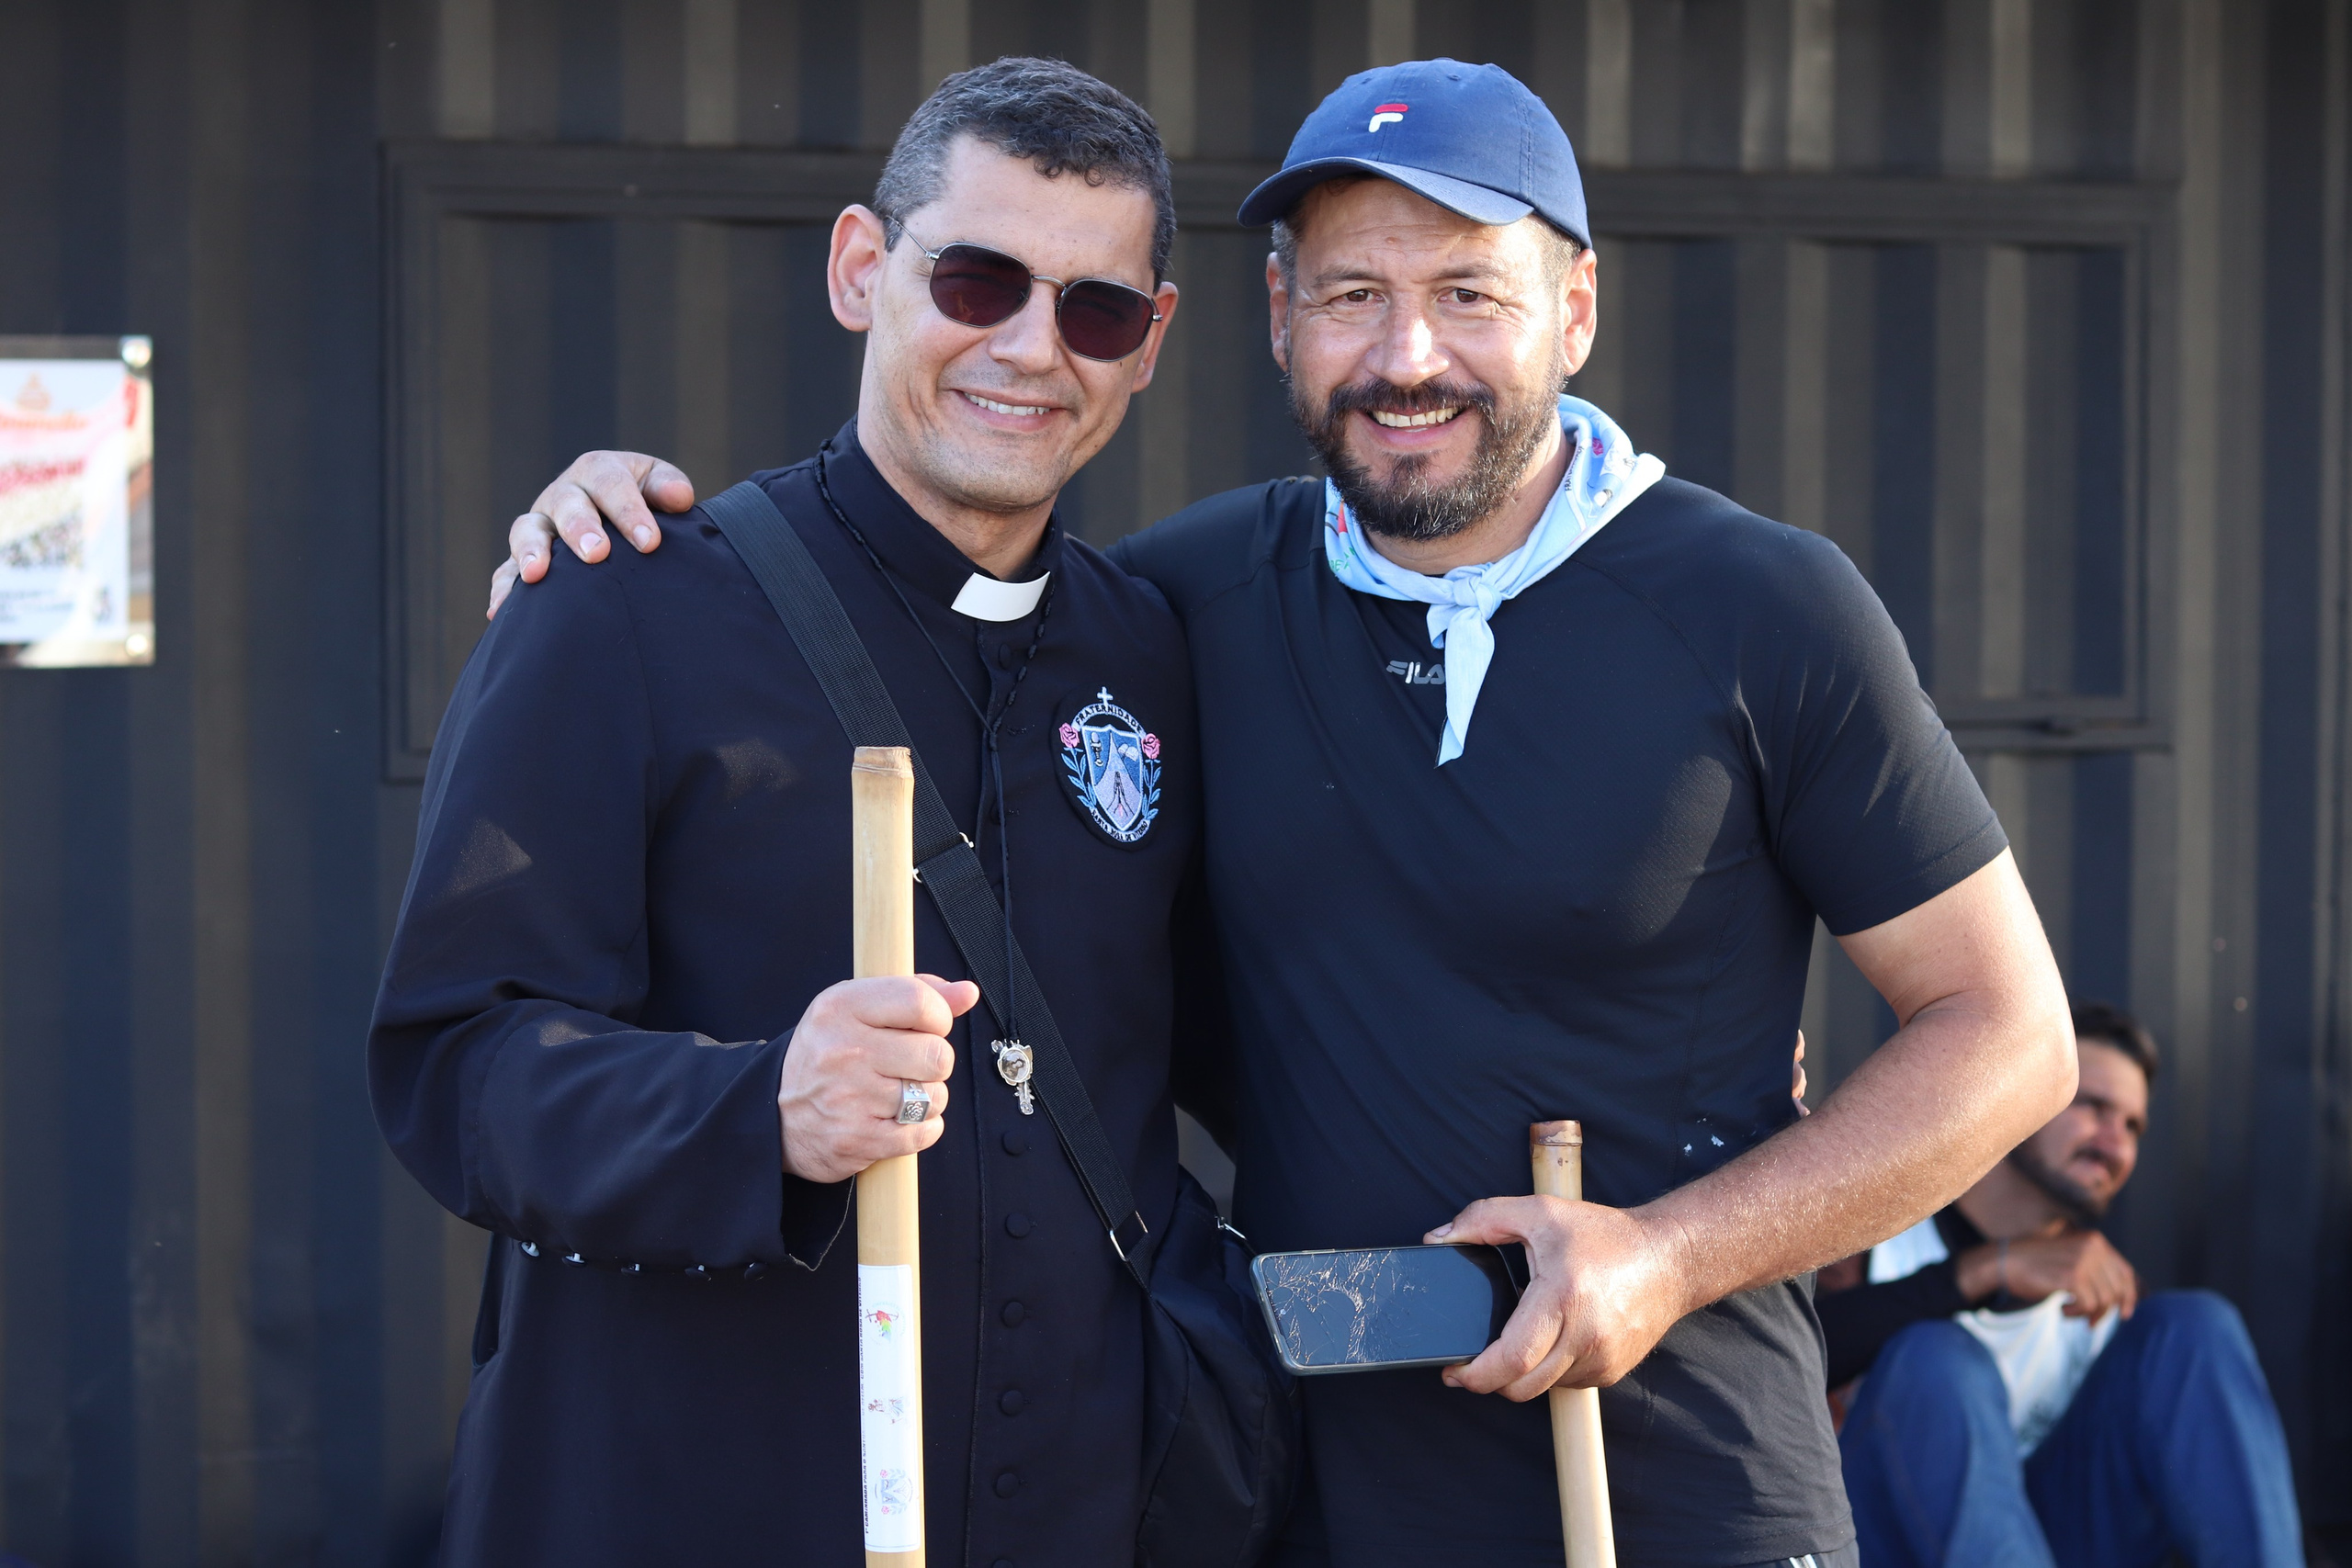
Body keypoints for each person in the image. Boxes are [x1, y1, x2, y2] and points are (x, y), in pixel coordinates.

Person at [495, 60, 2077, 1567]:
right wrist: (623, 534)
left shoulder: (1766, 606)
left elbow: (2009, 1040)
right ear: (1273, 321)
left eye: (1470, 293)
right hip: (1316, 1483)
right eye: (1350, 295)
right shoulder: (1174, 611)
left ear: (1575, 311)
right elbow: (892, 612)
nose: (1407, 358)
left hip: (1681, 1480)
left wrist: (1674, 1252)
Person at [370, 59, 1199, 1564]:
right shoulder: (619, 609)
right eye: (976, 278)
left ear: (1148, 346)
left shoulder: (1156, 649)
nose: (1030, 347)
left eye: (1093, 309)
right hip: (693, 1494)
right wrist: (755, 1109)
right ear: (861, 270)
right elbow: (456, 1055)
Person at [1824, 1003, 2302, 1568]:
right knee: (1936, 1357)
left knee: (2193, 1327)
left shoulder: (2108, 1287)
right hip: (1880, 1542)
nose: (2116, 1145)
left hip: (2058, 1538)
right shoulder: (1871, 1231)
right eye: (2095, 1108)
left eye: (2133, 1126)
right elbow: (1784, 1365)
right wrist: (1982, 1270)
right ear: (2018, 1097)